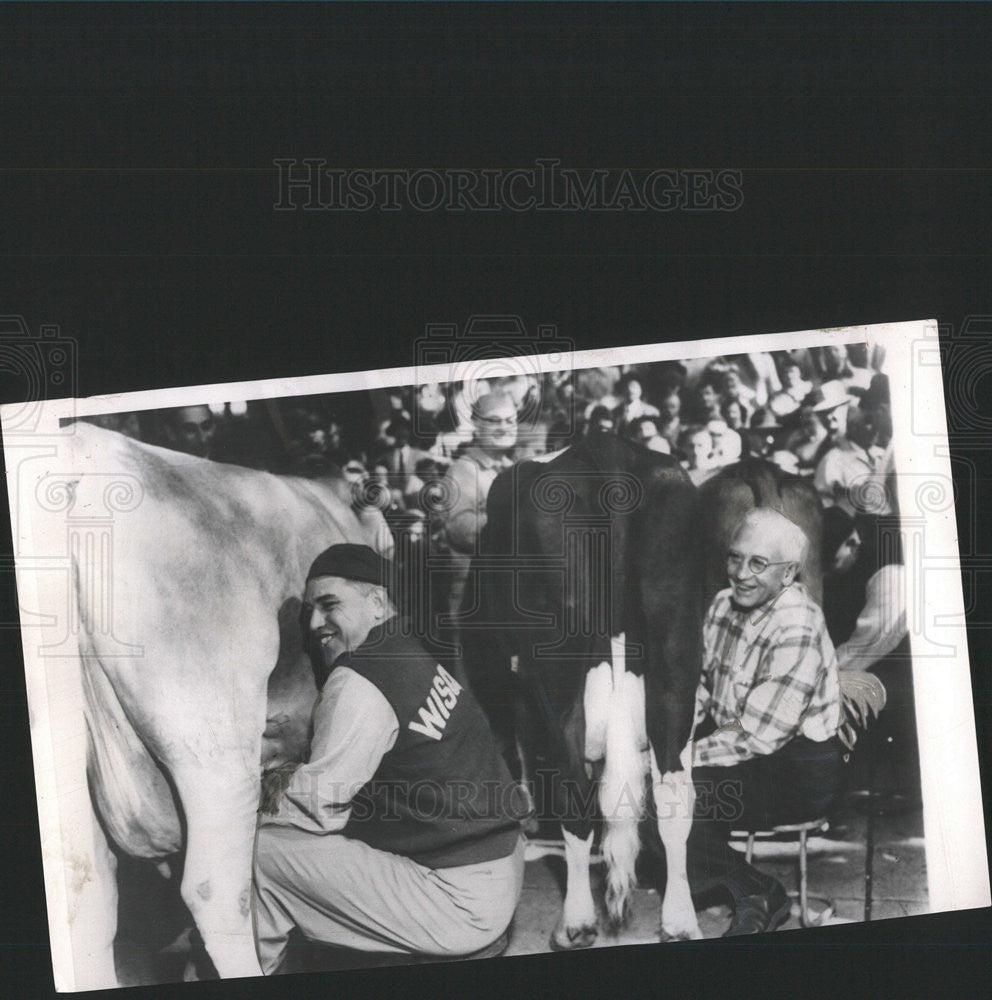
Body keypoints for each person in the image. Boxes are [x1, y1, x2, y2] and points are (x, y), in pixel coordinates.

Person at [253, 544, 528, 974]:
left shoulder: (359, 681)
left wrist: (252, 798)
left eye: (329, 605)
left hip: (460, 902)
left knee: (261, 852)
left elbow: (315, 809)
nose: (313, 623)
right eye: (310, 610)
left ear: (377, 603)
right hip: (500, 868)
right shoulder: (409, 652)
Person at [689, 508, 845, 936]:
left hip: (797, 770)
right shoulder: (723, 604)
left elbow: (760, 734)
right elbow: (701, 690)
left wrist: (677, 761)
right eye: (734, 558)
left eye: (758, 563)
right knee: (640, 796)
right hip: (743, 755)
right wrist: (664, 741)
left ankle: (753, 892)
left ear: (789, 573)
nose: (741, 573)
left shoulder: (797, 620)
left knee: (663, 797)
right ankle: (754, 889)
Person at [436, 392, 518, 620]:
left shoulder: (514, 469)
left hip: (508, 590)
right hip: (474, 596)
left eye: (511, 420)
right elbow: (460, 529)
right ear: (476, 424)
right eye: (494, 420)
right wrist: (517, 521)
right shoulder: (464, 469)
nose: (505, 427)